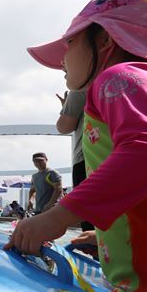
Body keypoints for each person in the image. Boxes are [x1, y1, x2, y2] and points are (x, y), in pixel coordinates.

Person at [7, 0, 147, 292]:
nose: (61, 60)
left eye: (68, 43)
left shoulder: (118, 77)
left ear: (104, 39)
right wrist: (108, 232)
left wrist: (59, 217)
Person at [55, 90, 95, 232]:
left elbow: (63, 127)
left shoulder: (80, 90)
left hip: (85, 159)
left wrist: (66, 108)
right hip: (114, 156)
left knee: (88, 216)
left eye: (66, 68)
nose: (65, 74)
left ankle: (98, 252)